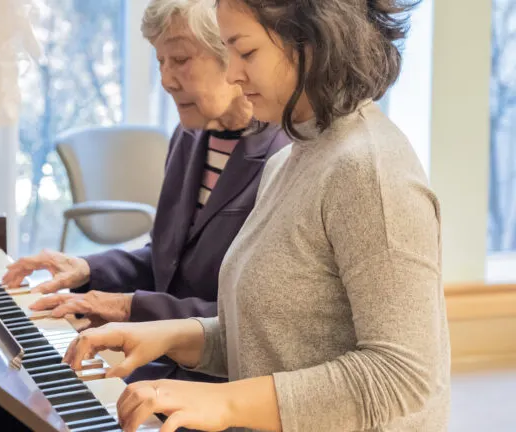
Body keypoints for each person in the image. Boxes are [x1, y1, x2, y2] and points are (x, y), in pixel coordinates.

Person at [62, 0, 451, 431]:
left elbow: (402, 375)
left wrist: (225, 402)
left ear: (314, 43)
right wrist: (165, 336)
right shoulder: (290, 162)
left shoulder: (370, 174)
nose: (231, 73)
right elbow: (267, 338)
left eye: (245, 52)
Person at [3, 0, 289, 384]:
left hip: (222, 384)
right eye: (160, 62)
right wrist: (86, 269)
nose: (167, 80)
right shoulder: (190, 136)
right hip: (157, 364)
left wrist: (128, 307)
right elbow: (167, 261)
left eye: (181, 59)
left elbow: (255, 318)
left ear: (232, 56)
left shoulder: (286, 157)